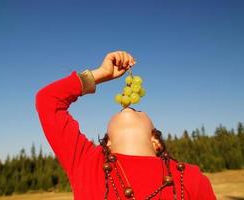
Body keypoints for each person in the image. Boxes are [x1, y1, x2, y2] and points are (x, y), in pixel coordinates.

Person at [35, 51, 216, 200]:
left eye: (138, 111)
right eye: (122, 111)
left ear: (156, 142)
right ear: (107, 143)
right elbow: (48, 100)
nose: (129, 108)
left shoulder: (191, 178)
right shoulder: (89, 163)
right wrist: (100, 74)